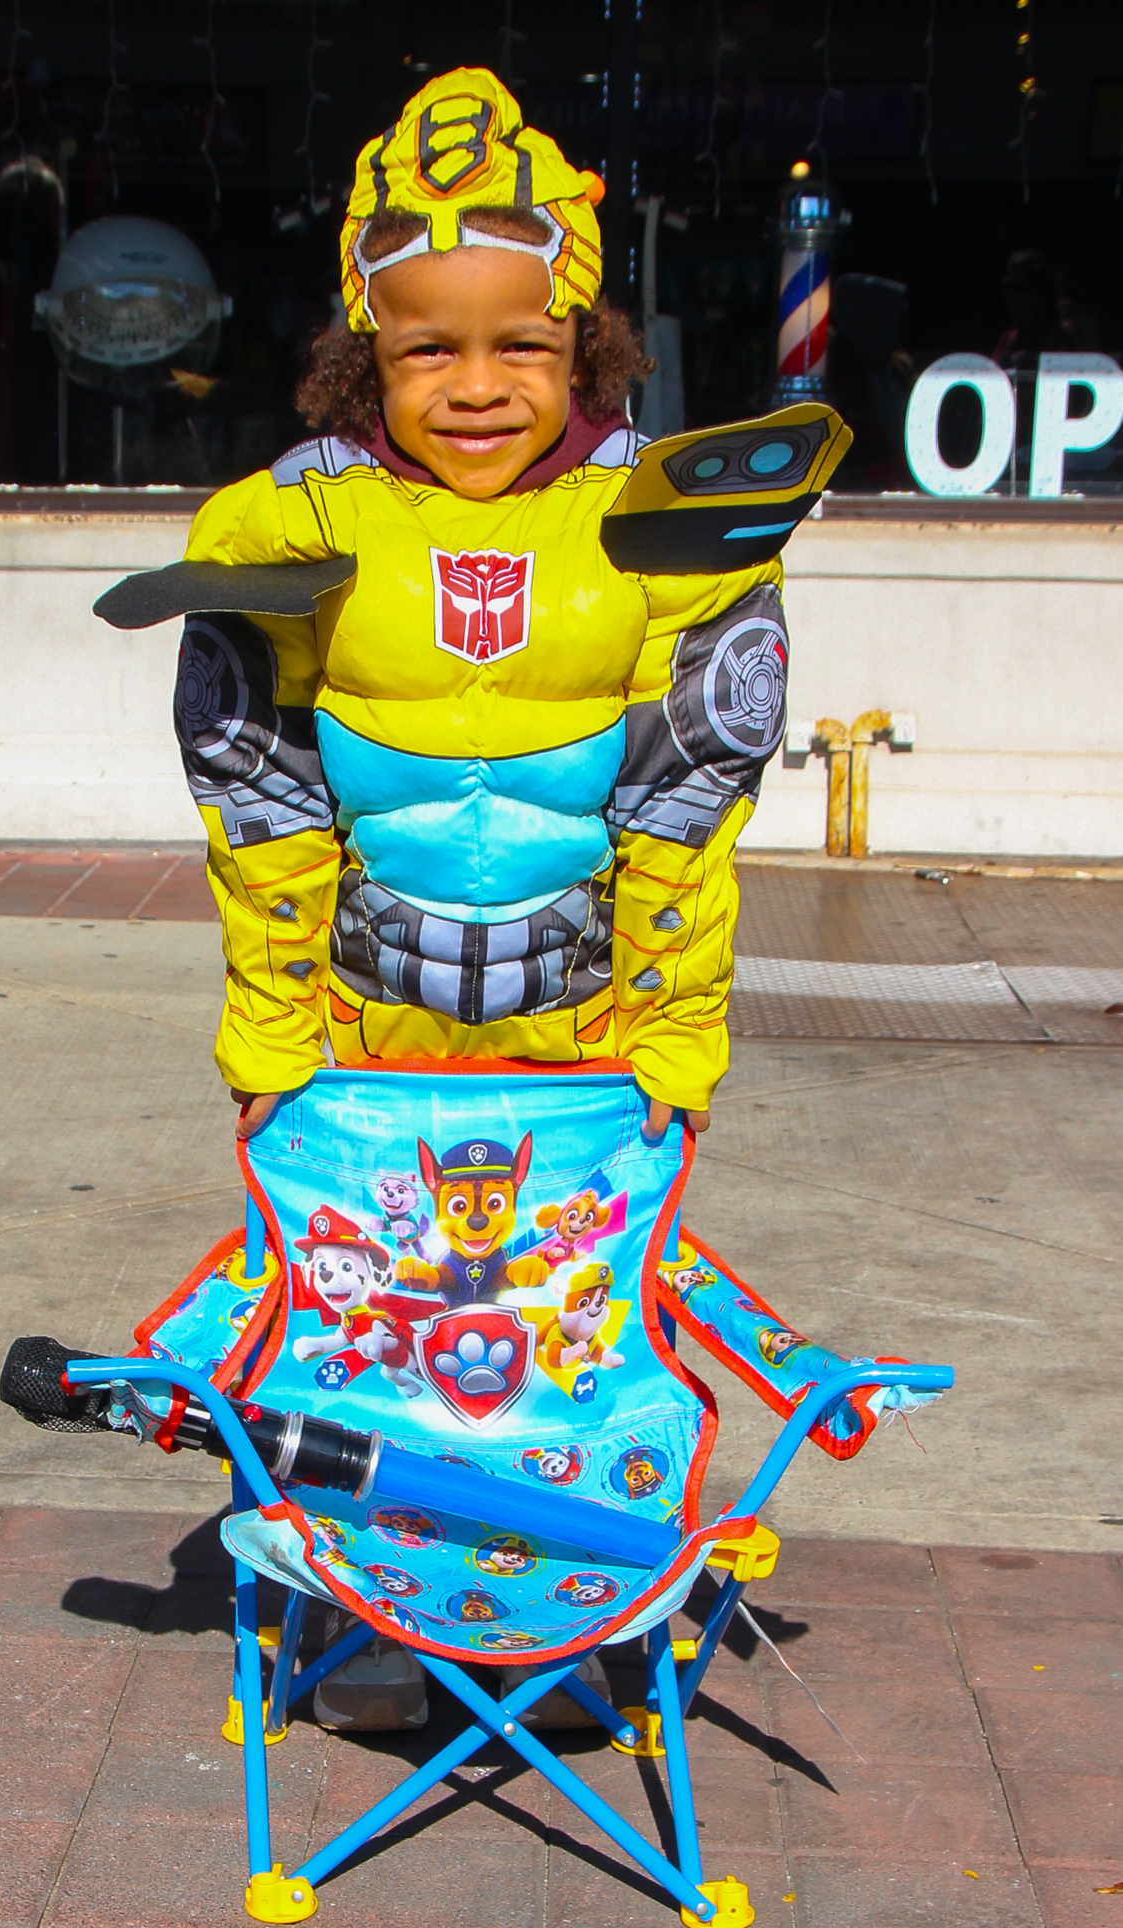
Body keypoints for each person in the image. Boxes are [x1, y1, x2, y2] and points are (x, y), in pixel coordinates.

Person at [174, 65, 792, 1147]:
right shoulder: (285, 526)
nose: (474, 387)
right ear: (367, 350)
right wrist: (272, 1036)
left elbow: (685, 813)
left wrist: (673, 1040)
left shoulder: (665, 529)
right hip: (362, 1055)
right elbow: (261, 802)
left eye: (521, 346)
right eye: (428, 349)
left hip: (588, 1056)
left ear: (582, 343)